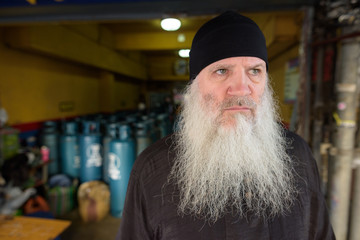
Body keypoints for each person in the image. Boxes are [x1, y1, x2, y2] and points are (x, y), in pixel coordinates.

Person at [116, 11, 335, 239]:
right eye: (222, 71)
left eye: (254, 71)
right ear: (195, 87)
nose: (241, 88)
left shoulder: (298, 156)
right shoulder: (153, 170)